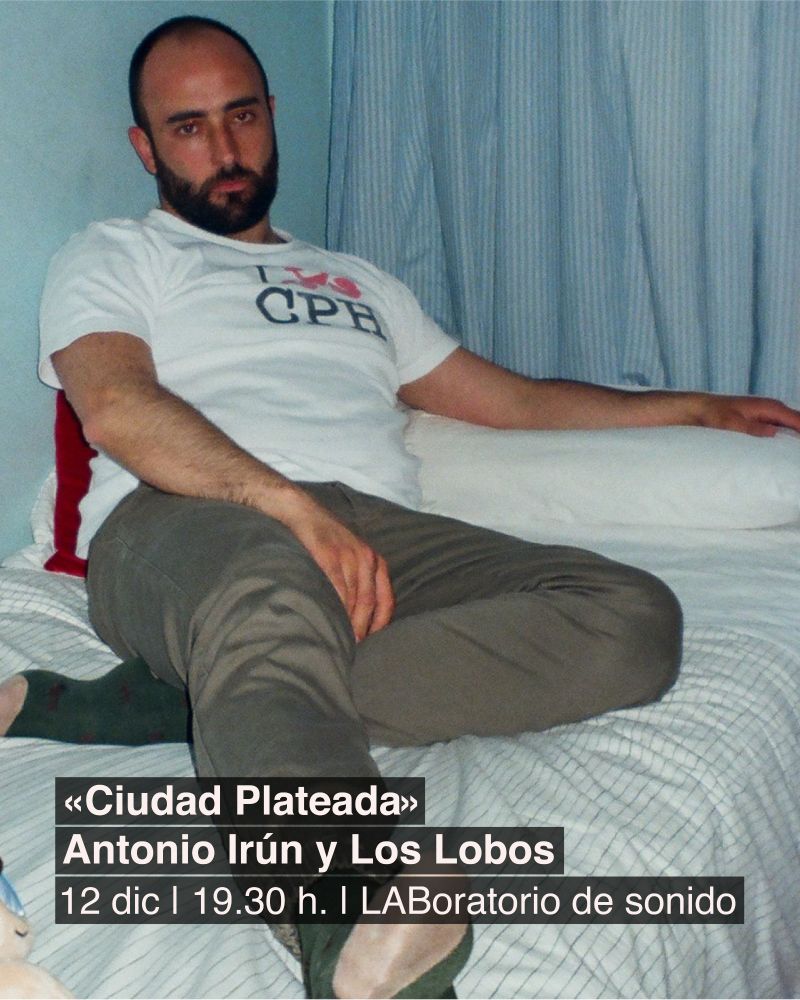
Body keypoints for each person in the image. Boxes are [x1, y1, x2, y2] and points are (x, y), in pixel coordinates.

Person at [3, 14, 800, 999]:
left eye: (241, 116)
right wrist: (288, 508)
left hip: (370, 528)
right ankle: (348, 914)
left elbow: (513, 401)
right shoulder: (116, 252)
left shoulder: (360, 282)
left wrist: (694, 407)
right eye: (188, 127)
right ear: (145, 146)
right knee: (264, 592)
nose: (225, 150)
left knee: (630, 618)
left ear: (272, 114)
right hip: (184, 515)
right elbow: (119, 406)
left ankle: (207, 698)